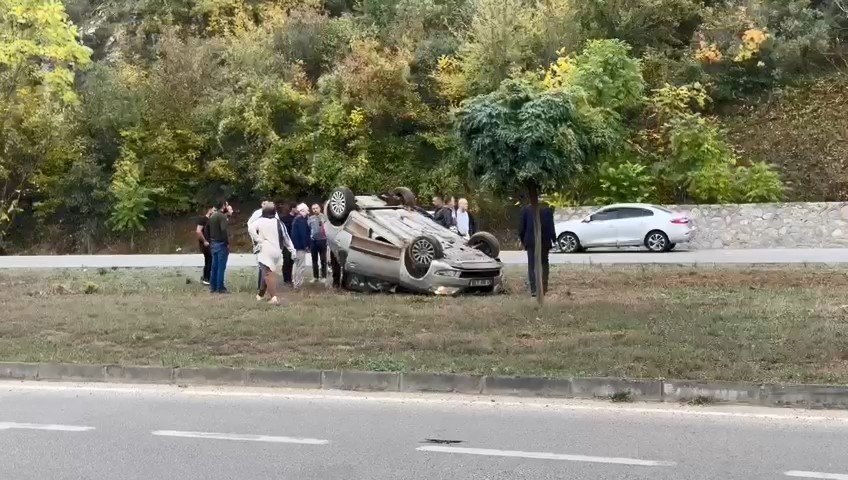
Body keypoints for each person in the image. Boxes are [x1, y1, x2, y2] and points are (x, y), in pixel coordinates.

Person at [250, 204, 295, 305]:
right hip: (277, 251)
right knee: (265, 271)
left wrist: (258, 239)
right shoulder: (279, 222)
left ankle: (274, 297)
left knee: (267, 273)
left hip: (265, 249)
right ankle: (260, 295)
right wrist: (292, 250)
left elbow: (251, 228)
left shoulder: (260, 221)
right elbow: (286, 237)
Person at [518, 201, 556, 297]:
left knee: (532, 265)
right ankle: (544, 287)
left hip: (530, 241)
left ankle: (534, 289)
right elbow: (551, 227)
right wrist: (554, 239)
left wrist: (523, 240)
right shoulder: (547, 210)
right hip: (544, 240)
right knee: (544, 263)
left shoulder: (525, 210)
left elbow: (521, 228)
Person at [247, 199, 280, 296]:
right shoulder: (257, 214)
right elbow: (250, 225)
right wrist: (256, 239)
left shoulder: (274, 215)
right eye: (264, 203)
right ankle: (262, 288)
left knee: (268, 267)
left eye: (267, 203)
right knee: (262, 265)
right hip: (260, 241)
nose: (266, 205)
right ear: (261, 204)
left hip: (271, 243)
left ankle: (264, 289)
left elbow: (277, 225)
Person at [208, 200, 232, 294]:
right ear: (223, 206)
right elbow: (224, 230)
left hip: (213, 243)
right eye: (226, 204)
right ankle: (220, 287)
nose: (227, 206)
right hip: (221, 243)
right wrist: (227, 242)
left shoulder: (212, 216)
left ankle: (213, 286)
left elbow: (208, 229)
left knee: (214, 266)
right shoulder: (222, 216)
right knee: (221, 267)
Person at [290, 203, 311, 289]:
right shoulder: (301, 220)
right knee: (301, 265)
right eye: (307, 209)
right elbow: (303, 234)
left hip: (295, 246)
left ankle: (295, 281)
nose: (308, 211)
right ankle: (297, 283)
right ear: (302, 210)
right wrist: (306, 245)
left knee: (296, 264)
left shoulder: (296, 219)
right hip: (299, 246)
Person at [195, 206, 214, 285]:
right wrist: (205, 241)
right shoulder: (203, 219)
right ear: (209, 210)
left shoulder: (210, 220)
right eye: (214, 210)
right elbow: (198, 231)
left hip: (211, 242)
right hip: (205, 243)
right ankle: (206, 278)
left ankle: (208, 277)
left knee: (210, 260)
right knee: (208, 260)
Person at [308, 203, 328, 282]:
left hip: (323, 240)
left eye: (316, 208)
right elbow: (309, 228)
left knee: (323, 259)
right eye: (313, 209)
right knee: (314, 259)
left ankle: (324, 276)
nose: (315, 210)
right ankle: (315, 276)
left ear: (320, 208)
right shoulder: (310, 218)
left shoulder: (324, 217)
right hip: (314, 241)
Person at [280, 202, 297, 286]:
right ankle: (286, 279)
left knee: (291, 261)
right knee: (286, 261)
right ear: (293, 208)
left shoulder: (297, 218)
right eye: (296, 208)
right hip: (286, 243)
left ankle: (289, 279)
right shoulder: (284, 219)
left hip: (294, 243)